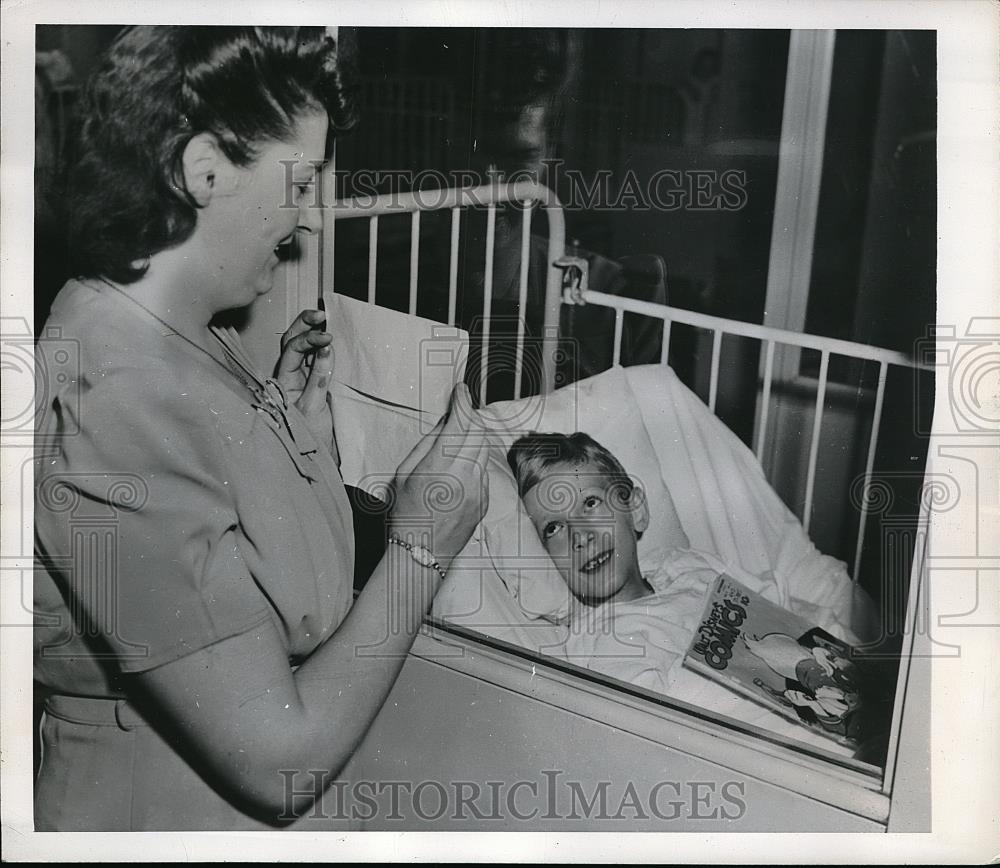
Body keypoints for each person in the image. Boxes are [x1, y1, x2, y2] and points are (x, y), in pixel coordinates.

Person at [32, 26, 489, 831]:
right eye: (301, 181)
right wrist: (423, 548)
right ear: (203, 169)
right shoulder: (119, 389)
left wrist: (280, 427)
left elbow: (245, 560)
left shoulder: (189, 331)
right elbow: (279, 762)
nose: (309, 218)